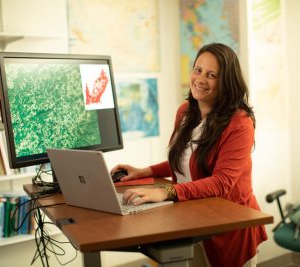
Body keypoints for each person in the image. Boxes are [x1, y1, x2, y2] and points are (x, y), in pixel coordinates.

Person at [111, 43, 267, 267]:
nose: (201, 79)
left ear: (226, 82)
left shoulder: (240, 123)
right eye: (198, 70)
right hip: (191, 218)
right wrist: (144, 171)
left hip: (229, 225)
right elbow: (187, 161)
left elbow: (221, 182)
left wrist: (166, 192)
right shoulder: (185, 112)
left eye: (212, 75)